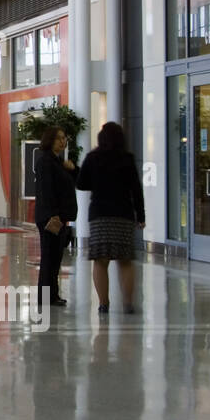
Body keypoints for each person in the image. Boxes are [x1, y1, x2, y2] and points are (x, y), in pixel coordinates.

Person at [77, 122, 145, 315]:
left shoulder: (92, 158)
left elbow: (81, 184)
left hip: (100, 215)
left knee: (100, 260)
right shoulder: (127, 159)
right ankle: (128, 303)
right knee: (125, 260)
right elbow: (136, 190)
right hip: (123, 214)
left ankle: (103, 303)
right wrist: (141, 216)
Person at [34, 126, 78, 308]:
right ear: (50, 139)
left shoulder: (57, 161)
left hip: (59, 216)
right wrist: (53, 215)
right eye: (59, 138)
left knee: (55, 258)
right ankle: (46, 296)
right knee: (49, 257)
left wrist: (72, 169)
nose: (63, 141)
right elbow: (47, 191)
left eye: (64, 138)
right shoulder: (45, 161)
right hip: (50, 218)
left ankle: (52, 294)